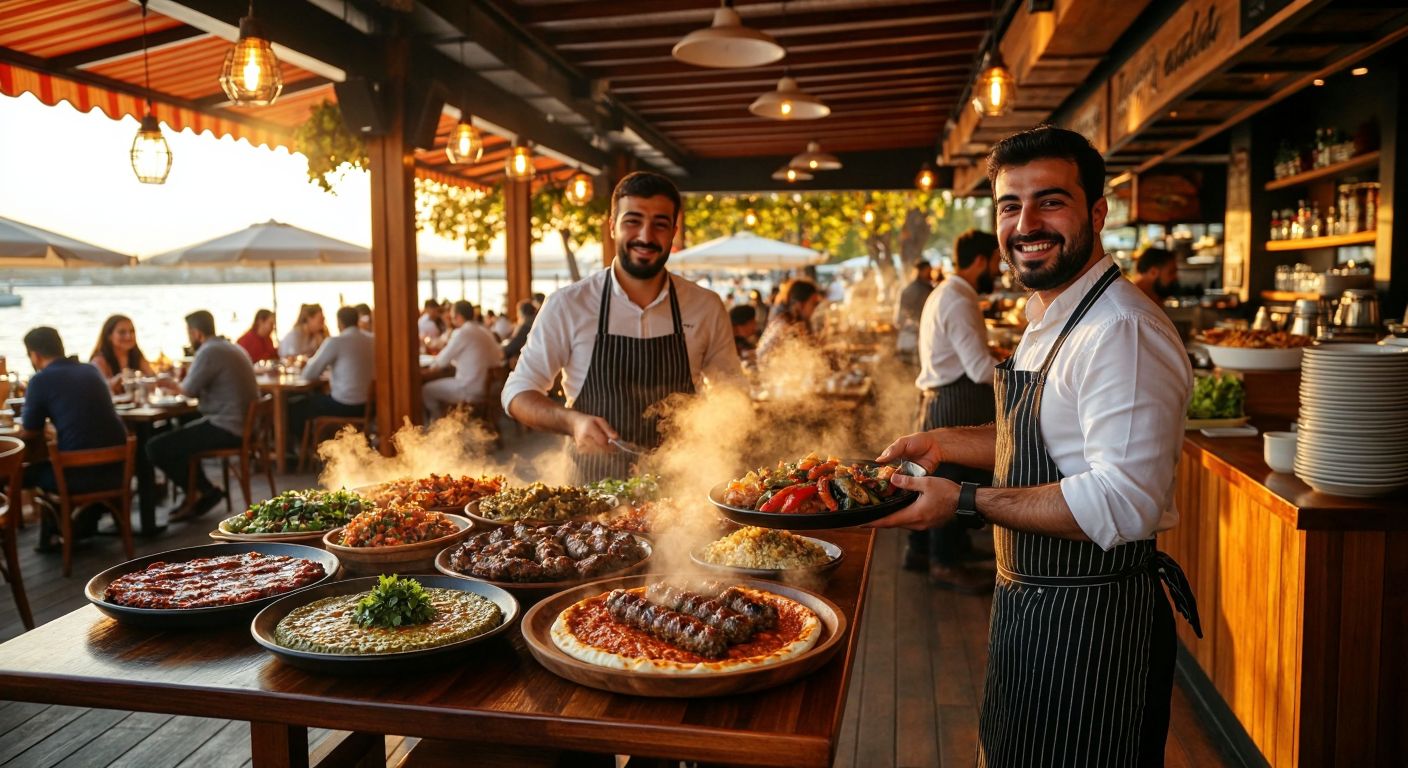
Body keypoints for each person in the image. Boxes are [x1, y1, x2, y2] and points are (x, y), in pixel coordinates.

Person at [872, 126, 1201, 766]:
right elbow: (1040, 433)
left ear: (1096, 212)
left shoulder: (1121, 331)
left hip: (1096, 630)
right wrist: (943, 441)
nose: (1026, 223)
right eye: (1009, 205)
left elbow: (1121, 503)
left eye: (1050, 201)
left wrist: (962, 499)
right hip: (1029, 608)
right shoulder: (1051, 316)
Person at [502, 171, 742, 483]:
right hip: (589, 492)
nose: (646, 235)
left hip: (681, 490)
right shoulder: (568, 304)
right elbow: (518, 393)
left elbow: (733, 393)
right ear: (612, 225)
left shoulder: (705, 306)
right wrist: (572, 421)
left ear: (674, 232)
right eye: (633, 220)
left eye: (660, 223)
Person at [906, 229, 1004, 593]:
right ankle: (944, 564)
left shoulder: (944, 291)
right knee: (949, 482)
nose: (999, 269)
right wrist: (1016, 367)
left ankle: (922, 552)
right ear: (980, 260)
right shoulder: (960, 299)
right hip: (954, 398)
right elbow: (979, 369)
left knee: (933, 477)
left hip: (940, 395)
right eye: (996, 261)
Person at [18, 327, 128, 551]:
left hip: (77, 477)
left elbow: (30, 430)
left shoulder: (40, 380)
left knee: (22, 474)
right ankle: (72, 529)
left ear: (35, 355)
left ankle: (52, 535)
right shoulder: (91, 370)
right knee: (52, 464)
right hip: (119, 470)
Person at [149, 311, 259, 520]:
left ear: (196, 333)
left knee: (155, 447)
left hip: (228, 426)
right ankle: (197, 493)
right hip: (245, 425)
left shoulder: (209, 351)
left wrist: (166, 383)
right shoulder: (232, 347)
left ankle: (204, 491)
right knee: (178, 433)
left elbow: (188, 390)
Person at [290, 306, 373, 452]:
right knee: (315, 400)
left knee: (294, 407)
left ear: (339, 323)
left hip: (344, 406)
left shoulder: (335, 342)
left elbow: (309, 374)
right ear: (357, 321)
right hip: (370, 406)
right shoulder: (372, 339)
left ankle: (304, 452)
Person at [423, 300, 504, 421]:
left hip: (469, 389)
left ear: (458, 317)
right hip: (490, 388)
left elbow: (440, 362)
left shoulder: (463, 333)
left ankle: (438, 427)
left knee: (426, 390)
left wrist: (429, 367)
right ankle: (448, 424)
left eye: (452, 316)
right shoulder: (485, 331)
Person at [756, 278, 820, 361]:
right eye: (814, 304)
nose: (816, 308)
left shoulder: (798, 322)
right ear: (800, 304)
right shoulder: (785, 325)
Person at [89, 314, 156, 394]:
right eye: (122, 332)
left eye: (132, 331)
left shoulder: (136, 355)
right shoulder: (99, 360)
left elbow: (152, 377)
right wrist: (117, 379)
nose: (128, 336)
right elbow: (96, 389)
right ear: (109, 336)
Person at [894, 260, 935, 349]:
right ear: (921, 271)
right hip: (919, 334)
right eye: (928, 271)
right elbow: (901, 317)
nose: (931, 274)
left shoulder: (908, 289)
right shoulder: (926, 290)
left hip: (916, 334)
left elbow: (899, 319)